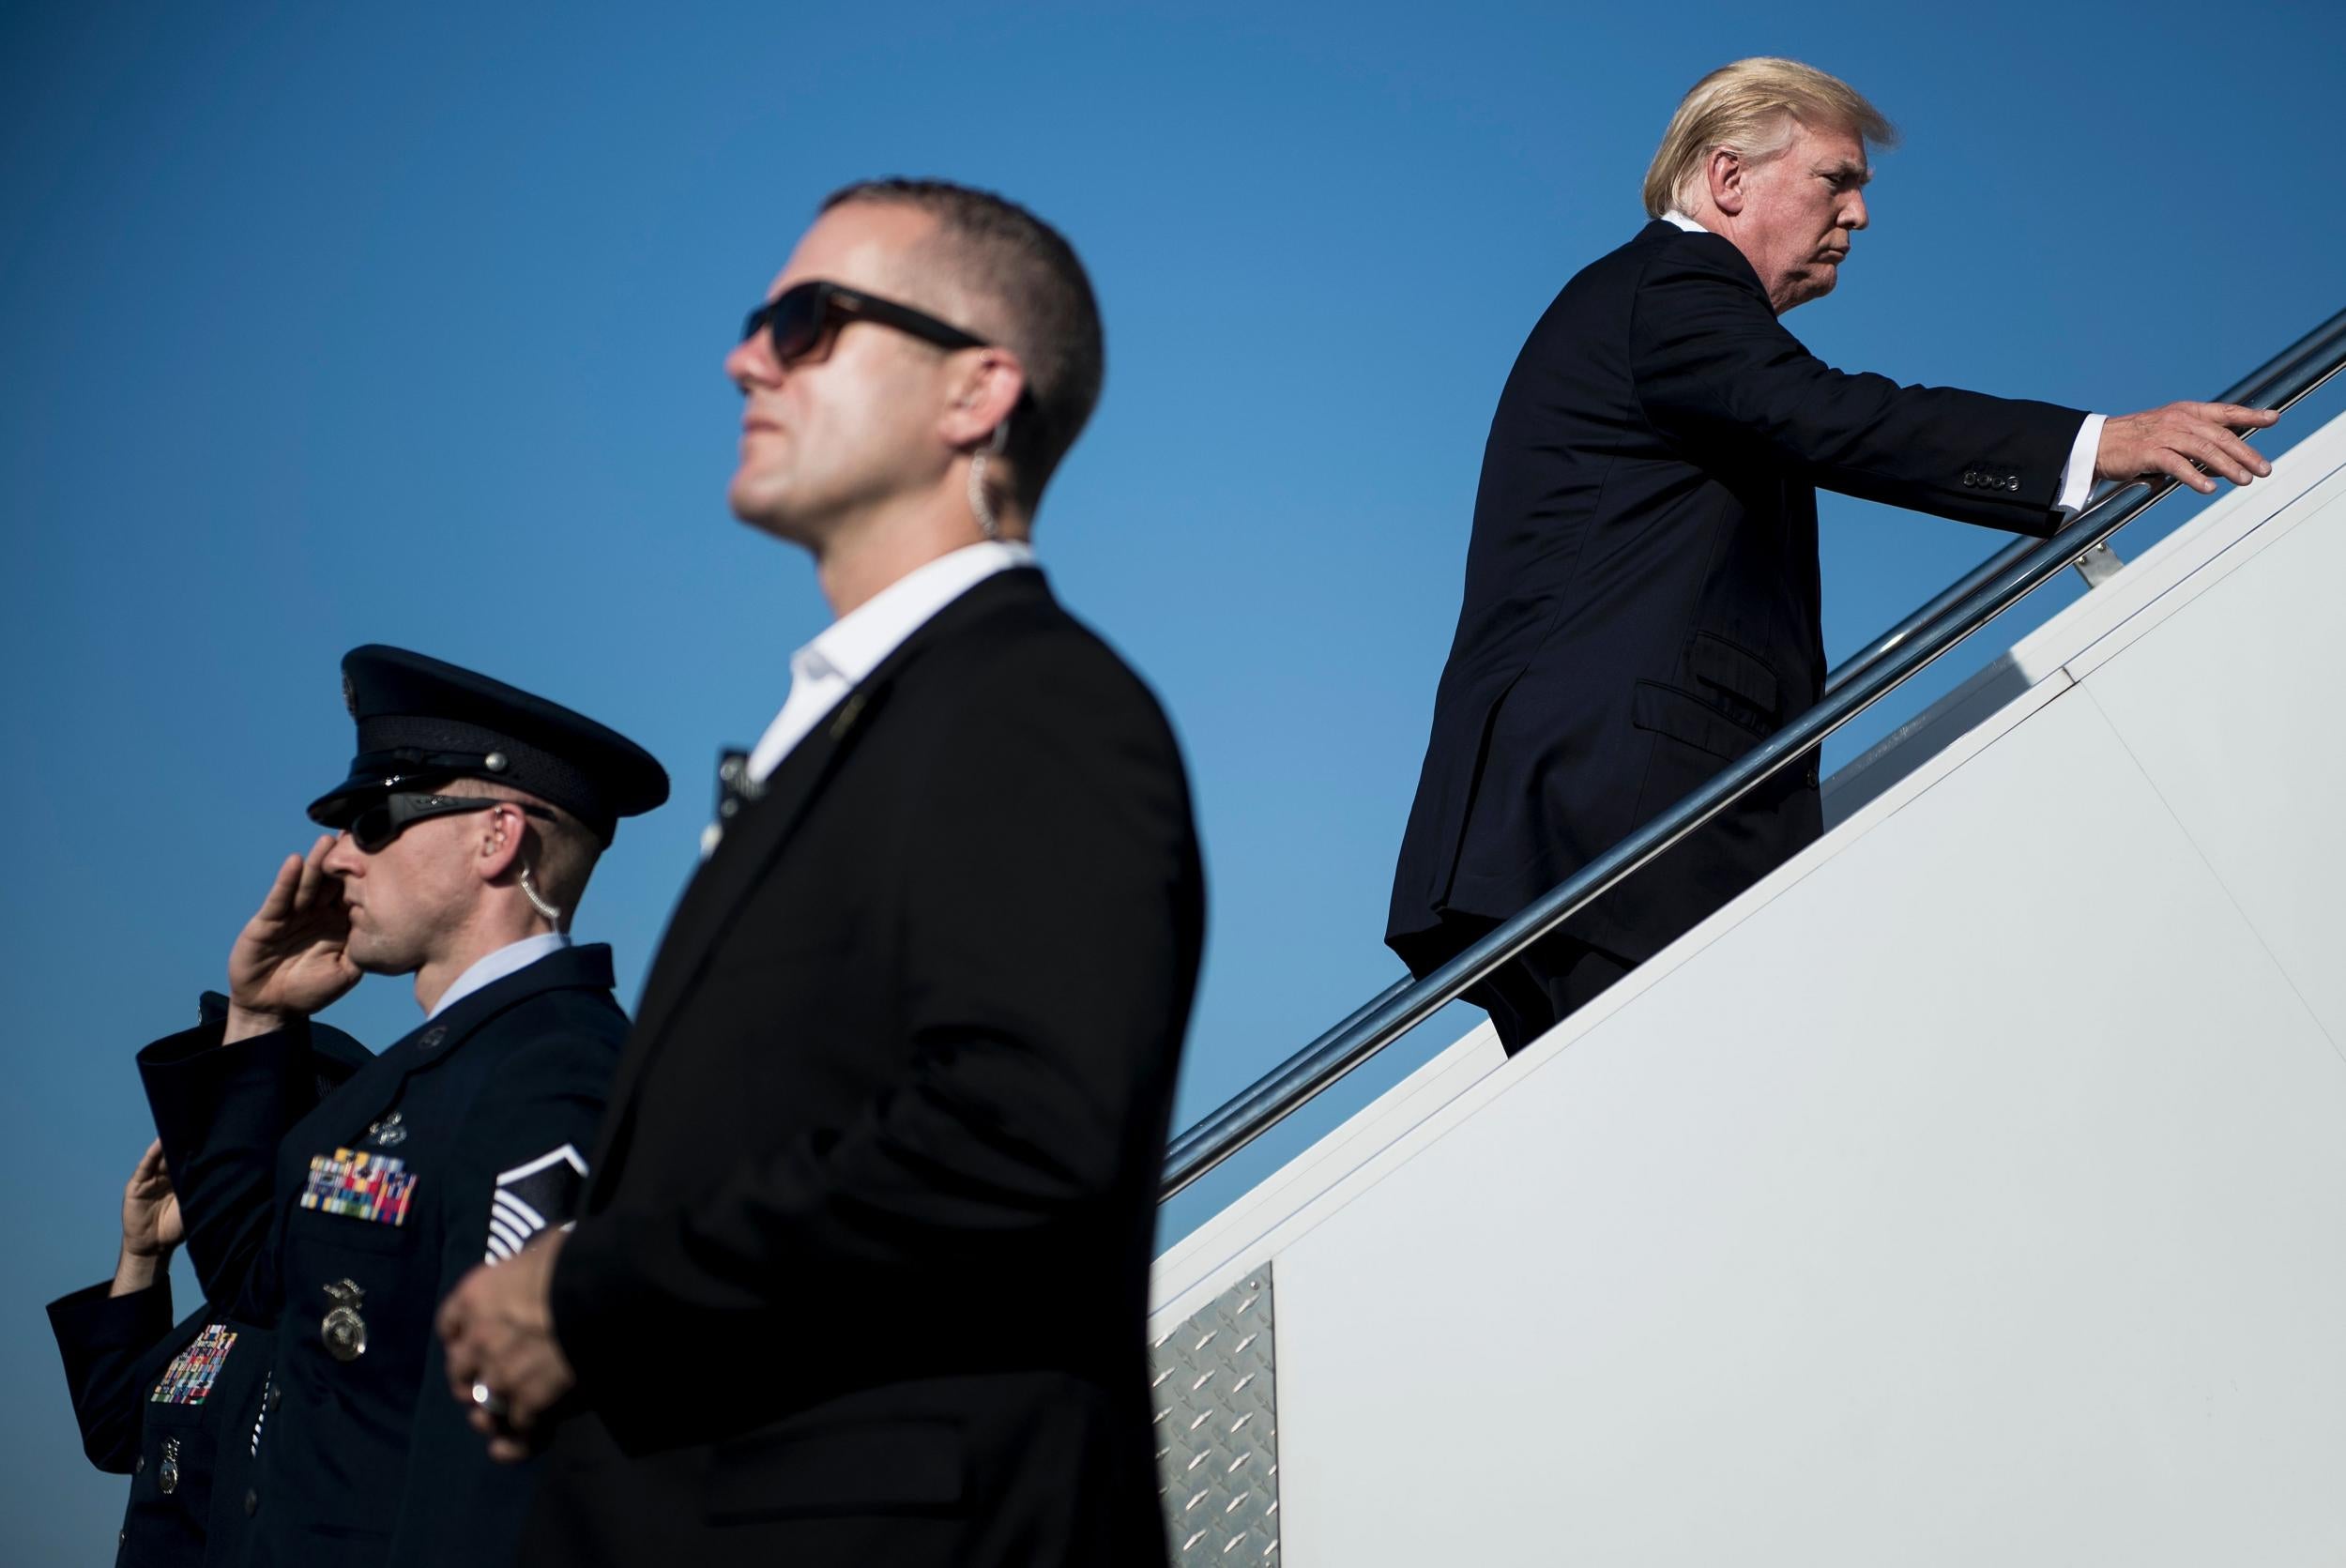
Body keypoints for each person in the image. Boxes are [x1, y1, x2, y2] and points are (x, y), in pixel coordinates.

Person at [437, 178, 1206, 1568]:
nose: (748, 358)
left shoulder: (1036, 701)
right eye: (758, 325)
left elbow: (1018, 1138)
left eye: (808, 322)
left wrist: (588, 1291)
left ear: (979, 391)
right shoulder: (871, 726)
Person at [1387, 56, 2280, 1054]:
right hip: (1621, 818)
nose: (1857, 215)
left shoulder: (1655, 311)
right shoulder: (1674, 285)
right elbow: (1826, 414)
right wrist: (2089, 445)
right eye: (1834, 179)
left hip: (1596, 820)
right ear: (1728, 180)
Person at [138, 647, 667, 1568]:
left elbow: (498, 1455)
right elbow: (252, 1281)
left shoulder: (552, 1070)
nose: (335, 856)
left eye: (375, 818)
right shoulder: (423, 1075)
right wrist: (259, 1019)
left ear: (496, 839)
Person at [47, 996, 368, 1568]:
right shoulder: (224, 1319)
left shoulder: (326, 1319)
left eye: (221, 1128)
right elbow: (115, 1432)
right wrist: (142, 1253)